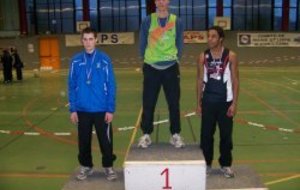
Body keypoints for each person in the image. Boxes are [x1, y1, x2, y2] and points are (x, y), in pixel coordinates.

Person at [68, 27, 117, 181]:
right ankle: (86, 166)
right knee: (83, 141)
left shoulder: (104, 59)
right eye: (85, 39)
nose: (88, 42)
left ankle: (108, 166)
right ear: (81, 41)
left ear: (96, 40)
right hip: (82, 110)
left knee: (105, 141)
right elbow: (71, 85)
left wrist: (110, 109)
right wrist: (73, 109)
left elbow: (111, 85)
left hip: (101, 109)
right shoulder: (75, 61)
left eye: (91, 39)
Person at [138, 0, 184, 148]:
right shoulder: (148, 20)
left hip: (171, 68)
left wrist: (175, 58)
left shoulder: (176, 21)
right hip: (151, 68)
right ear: (155, 2)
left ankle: (175, 134)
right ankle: (146, 135)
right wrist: (147, 60)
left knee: (174, 103)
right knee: (148, 103)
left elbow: (179, 43)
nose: (162, 2)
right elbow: (142, 43)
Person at [196, 26, 239, 178]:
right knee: (206, 135)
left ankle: (225, 165)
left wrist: (234, 104)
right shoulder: (203, 56)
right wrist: (198, 103)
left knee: (226, 136)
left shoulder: (231, 55)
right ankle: (206, 164)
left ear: (220, 38)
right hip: (208, 102)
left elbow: (235, 80)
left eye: (213, 36)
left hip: (225, 103)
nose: (210, 39)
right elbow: (200, 79)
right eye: (208, 36)